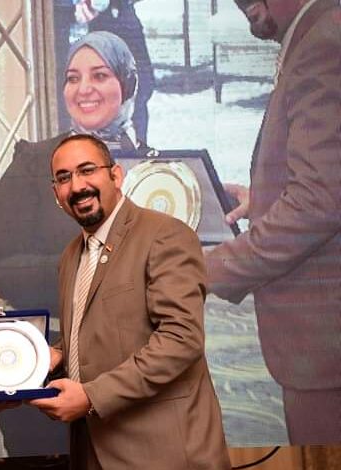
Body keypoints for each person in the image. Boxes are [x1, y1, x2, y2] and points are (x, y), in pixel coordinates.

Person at [0, 31, 145, 456]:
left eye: (100, 75)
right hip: (52, 368)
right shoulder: (35, 162)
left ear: (128, 83)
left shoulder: (156, 167)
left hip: (138, 369)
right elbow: (1, 267)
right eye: (73, 78)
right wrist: (95, 267)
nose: (84, 88)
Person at [29, 134, 230, 469]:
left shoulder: (164, 235)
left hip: (164, 456)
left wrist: (91, 396)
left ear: (116, 175)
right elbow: (101, 327)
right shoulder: (71, 256)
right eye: (64, 178)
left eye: (87, 170)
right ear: (56, 194)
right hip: (92, 450)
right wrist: (56, 354)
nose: (77, 186)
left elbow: (181, 340)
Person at [205, 0, 341, 445]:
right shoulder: (318, 34)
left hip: (326, 352)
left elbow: (318, 202)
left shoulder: (325, 41)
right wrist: (263, 200)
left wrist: (207, 268)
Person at [69, 0, 155, 142]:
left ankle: (138, 144)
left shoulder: (128, 21)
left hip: (126, 25)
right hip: (101, 26)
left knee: (141, 91)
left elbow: (145, 81)